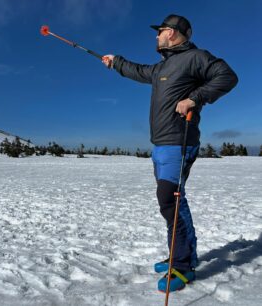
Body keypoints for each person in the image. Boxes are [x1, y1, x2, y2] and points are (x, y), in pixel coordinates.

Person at [102, 14, 238, 292]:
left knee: (171, 200)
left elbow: (227, 76)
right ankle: (179, 254)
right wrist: (115, 62)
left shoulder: (196, 57)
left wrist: (194, 98)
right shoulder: (164, 66)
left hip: (180, 140)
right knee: (169, 205)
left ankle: (185, 265)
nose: (156, 36)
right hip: (161, 144)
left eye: (160, 31)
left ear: (173, 33)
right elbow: (139, 71)